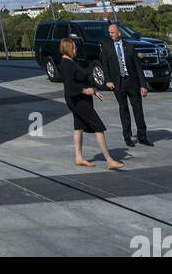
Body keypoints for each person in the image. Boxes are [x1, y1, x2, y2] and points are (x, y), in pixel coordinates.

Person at [60, 38, 123, 170]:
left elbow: (78, 81)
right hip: (78, 100)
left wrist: (93, 91)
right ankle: (109, 160)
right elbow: (70, 86)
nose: (75, 49)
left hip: (78, 99)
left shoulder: (70, 62)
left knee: (79, 127)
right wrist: (86, 91)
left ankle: (79, 157)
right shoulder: (67, 64)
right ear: (67, 48)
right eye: (73, 47)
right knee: (98, 127)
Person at [101, 23, 152, 147]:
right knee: (123, 109)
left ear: (119, 33)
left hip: (132, 82)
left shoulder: (129, 46)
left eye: (112, 32)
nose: (110, 34)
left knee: (138, 109)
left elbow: (138, 67)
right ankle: (127, 136)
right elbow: (105, 64)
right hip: (118, 83)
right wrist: (108, 80)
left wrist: (143, 85)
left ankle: (142, 136)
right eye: (109, 32)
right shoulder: (107, 46)